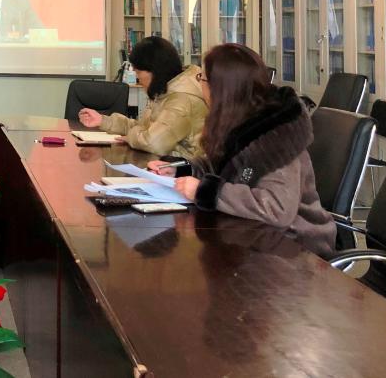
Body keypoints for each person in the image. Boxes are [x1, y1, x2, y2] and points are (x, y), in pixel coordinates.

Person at [149, 44, 335, 258]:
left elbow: (276, 208)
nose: (200, 84)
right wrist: (181, 169)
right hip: (253, 235)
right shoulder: (242, 119)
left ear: (221, 89)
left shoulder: (276, 135)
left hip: (296, 246)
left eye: (202, 78)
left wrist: (205, 191)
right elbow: (221, 167)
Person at [79, 36, 207, 159]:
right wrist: (103, 121)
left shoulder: (181, 99)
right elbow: (143, 128)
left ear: (155, 70)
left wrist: (131, 137)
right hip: (164, 165)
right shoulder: (166, 92)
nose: (137, 78)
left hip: (181, 170)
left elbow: (154, 143)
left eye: (138, 72)